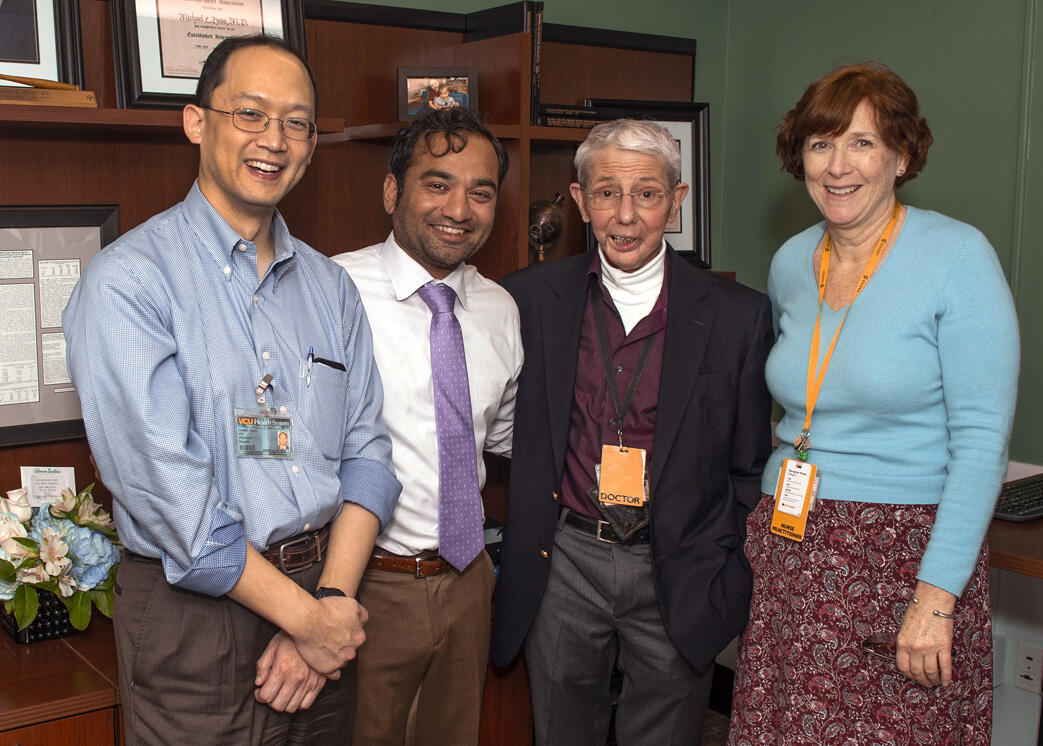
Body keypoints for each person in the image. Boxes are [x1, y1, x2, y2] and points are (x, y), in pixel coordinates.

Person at [62, 34, 402, 745]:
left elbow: (368, 453)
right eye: (249, 113)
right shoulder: (129, 282)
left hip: (325, 586)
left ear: (312, 144)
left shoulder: (330, 286)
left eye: (296, 122)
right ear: (196, 121)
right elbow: (170, 496)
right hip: (197, 621)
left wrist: (330, 603)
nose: (273, 140)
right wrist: (307, 622)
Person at [728, 62, 1019, 744]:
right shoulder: (792, 261)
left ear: (903, 154)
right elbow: (803, 402)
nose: (837, 165)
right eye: (820, 143)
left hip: (903, 557)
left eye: (861, 142)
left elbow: (981, 444)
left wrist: (937, 598)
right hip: (793, 549)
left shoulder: (958, 256)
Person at [491, 118, 774, 744]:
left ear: (676, 203)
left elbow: (752, 467)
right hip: (564, 563)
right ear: (579, 200)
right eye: (606, 193)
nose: (625, 216)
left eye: (646, 194)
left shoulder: (737, 316)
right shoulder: (526, 300)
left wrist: (727, 576)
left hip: (677, 568)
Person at [333, 107, 521, 745]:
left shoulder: (500, 309)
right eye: (437, 184)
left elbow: (499, 440)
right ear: (392, 191)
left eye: (481, 191)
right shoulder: (333, 290)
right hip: (366, 586)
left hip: (469, 584)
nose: (459, 209)